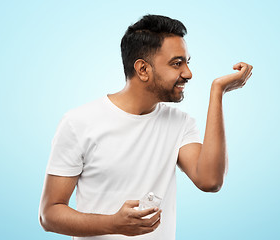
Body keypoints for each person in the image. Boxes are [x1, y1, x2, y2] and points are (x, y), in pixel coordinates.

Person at [39, 14, 253, 240]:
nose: (188, 73)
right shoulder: (78, 122)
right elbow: (49, 214)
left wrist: (217, 92)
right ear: (142, 69)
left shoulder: (180, 123)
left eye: (187, 62)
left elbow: (210, 181)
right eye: (176, 63)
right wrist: (113, 224)